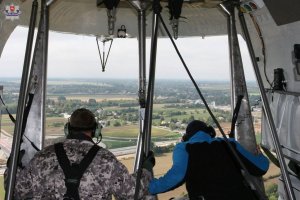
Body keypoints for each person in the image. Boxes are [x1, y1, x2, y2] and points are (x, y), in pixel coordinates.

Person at [7, 108, 153, 199]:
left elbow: (16, 190)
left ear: (67, 129)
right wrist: (146, 170)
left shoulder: (43, 157)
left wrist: (11, 168)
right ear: (96, 131)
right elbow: (132, 192)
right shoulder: (106, 160)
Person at [148, 120, 269, 200]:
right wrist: (260, 155)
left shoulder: (184, 148)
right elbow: (261, 167)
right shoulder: (229, 143)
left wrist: (149, 187)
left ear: (186, 137)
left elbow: (175, 178)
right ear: (210, 132)